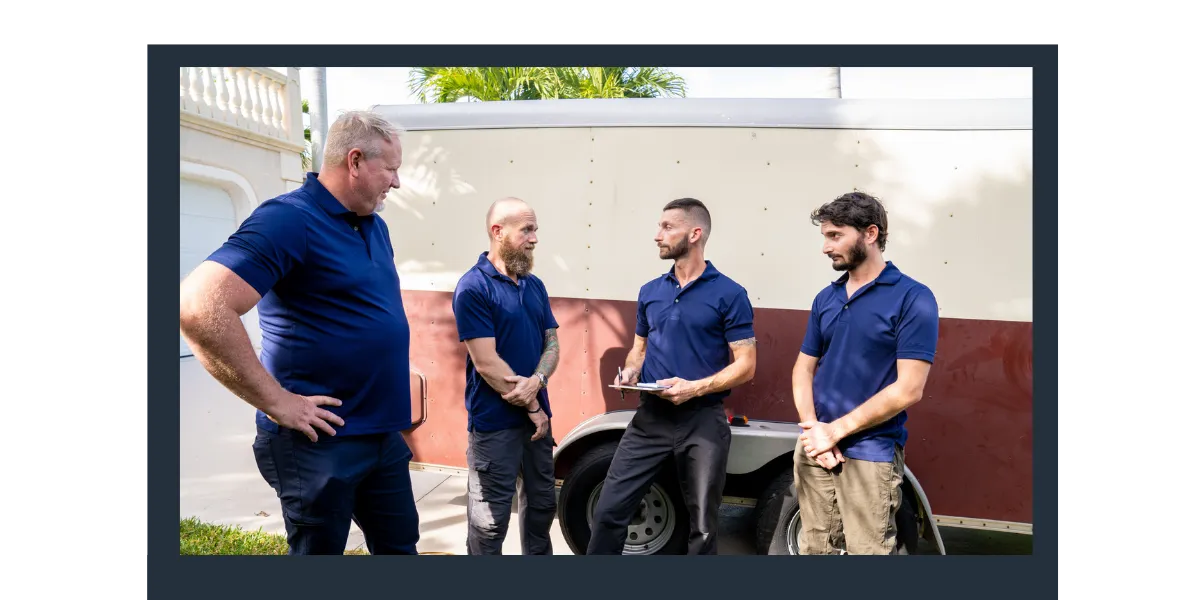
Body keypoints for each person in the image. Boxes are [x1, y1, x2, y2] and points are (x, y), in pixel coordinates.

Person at [178, 110, 421, 555]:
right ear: (354, 161)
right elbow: (198, 305)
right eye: (391, 169)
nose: (397, 182)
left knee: (401, 548)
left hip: (380, 435)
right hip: (317, 444)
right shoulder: (290, 219)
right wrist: (276, 401)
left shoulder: (375, 225)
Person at [586, 197, 757, 555]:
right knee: (609, 511)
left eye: (667, 227)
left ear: (694, 234)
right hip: (651, 419)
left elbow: (746, 365)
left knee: (705, 528)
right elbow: (639, 348)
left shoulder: (729, 293)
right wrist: (631, 370)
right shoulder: (651, 291)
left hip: (703, 422)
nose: (657, 235)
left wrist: (694, 388)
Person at [791, 191, 939, 555]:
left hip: (870, 453)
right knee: (815, 549)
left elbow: (909, 389)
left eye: (835, 235)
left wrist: (835, 432)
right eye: (824, 236)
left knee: (867, 553)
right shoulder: (827, 298)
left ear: (870, 234)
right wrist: (813, 431)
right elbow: (802, 368)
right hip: (816, 449)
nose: (825, 247)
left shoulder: (912, 298)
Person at [451, 197, 560, 555]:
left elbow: (552, 344)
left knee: (543, 509)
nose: (534, 238)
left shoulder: (535, 285)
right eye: (527, 230)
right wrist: (533, 406)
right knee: (490, 524)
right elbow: (486, 363)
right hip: (495, 425)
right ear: (498, 232)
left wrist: (538, 381)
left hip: (538, 427)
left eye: (535, 230)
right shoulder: (474, 287)